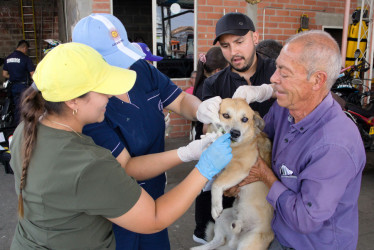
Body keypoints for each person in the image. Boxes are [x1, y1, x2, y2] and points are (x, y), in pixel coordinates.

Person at [10, 42, 232, 249]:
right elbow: (154, 217)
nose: (111, 95)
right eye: (103, 88)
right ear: (72, 101)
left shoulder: (27, 129)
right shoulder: (89, 164)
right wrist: (205, 167)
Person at [72, 13, 220, 250]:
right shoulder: (88, 106)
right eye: (112, 60)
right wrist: (188, 153)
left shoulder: (140, 69)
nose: (124, 66)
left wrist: (202, 108)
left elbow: (180, 101)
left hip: (155, 194)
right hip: (117, 206)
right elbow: (128, 167)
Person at [231, 30, 366, 250]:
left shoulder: (335, 145)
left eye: (284, 72)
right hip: (279, 232)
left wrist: (265, 175)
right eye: (277, 68)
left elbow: (304, 219)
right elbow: (259, 140)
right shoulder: (286, 109)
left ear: (317, 80)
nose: (273, 78)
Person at [192, 12, 277, 243]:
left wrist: (265, 89)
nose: (233, 52)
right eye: (226, 46)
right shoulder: (214, 84)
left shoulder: (276, 71)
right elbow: (207, 132)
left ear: (255, 37)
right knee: (214, 239)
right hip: (229, 181)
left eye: (240, 42)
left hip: (271, 185)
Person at [2, 40, 35, 125]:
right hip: (23, 87)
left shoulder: (8, 58)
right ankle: (23, 126)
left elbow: (4, 74)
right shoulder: (25, 59)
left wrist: (13, 76)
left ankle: (17, 126)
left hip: (13, 87)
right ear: (24, 48)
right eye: (26, 49)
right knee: (26, 107)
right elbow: (33, 75)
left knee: (16, 107)